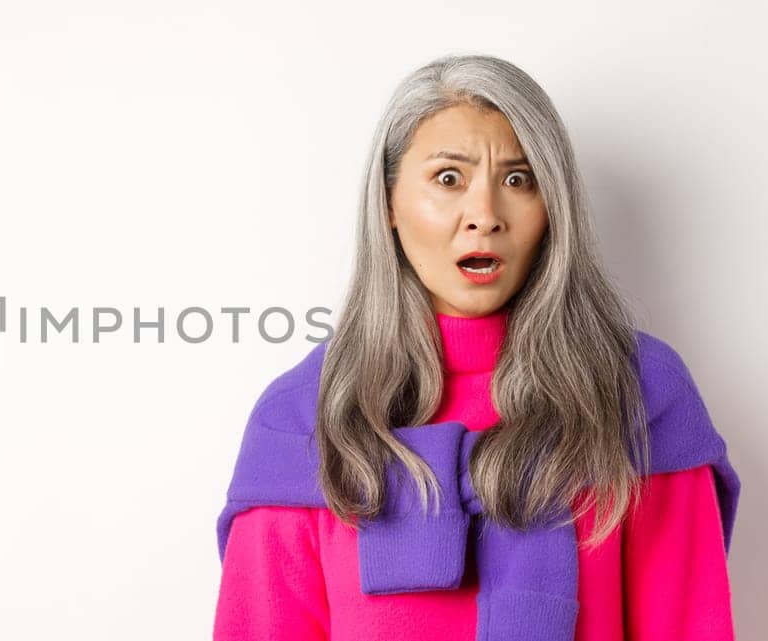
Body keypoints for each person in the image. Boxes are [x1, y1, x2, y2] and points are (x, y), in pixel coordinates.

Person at [212, 54, 740, 640]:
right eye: (448, 178)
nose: (485, 215)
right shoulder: (301, 418)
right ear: (388, 203)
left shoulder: (639, 392)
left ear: (553, 207)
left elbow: (690, 625)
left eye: (518, 180)